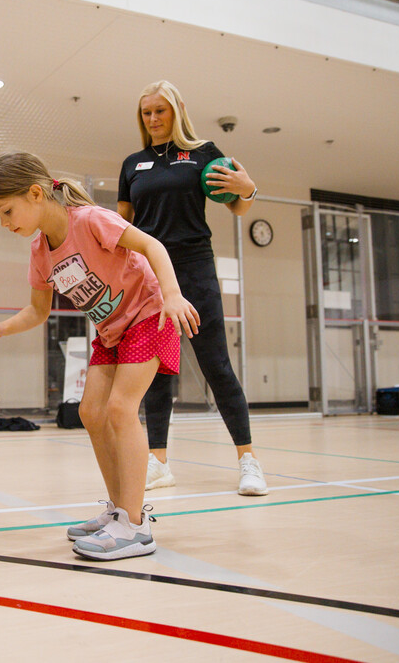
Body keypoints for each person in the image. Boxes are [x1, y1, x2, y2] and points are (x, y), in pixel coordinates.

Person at [0, 152, 199, 561]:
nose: (3, 222)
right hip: (111, 332)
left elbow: (152, 244)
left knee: (121, 410)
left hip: (149, 315)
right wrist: (0, 328)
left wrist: (173, 294)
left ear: (36, 193)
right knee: (91, 412)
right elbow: (38, 311)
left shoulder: (89, 220)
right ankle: (119, 511)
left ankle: (136, 528)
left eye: (6, 211)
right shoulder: (40, 252)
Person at [118, 80, 268, 496]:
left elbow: (238, 203)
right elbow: (123, 224)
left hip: (195, 267)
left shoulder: (204, 153)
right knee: (156, 372)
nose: (153, 119)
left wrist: (248, 190)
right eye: (146, 113)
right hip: (149, 276)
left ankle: (248, 461)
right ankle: (158, 462)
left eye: (160, 111)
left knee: (216, 364)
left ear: (177, 109)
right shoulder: (133, 163)